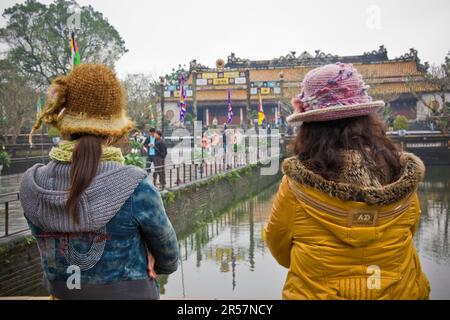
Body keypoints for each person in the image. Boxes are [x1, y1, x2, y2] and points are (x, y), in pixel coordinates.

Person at [265, 63, 430, 300]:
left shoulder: (295, 186)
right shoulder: (399, 172)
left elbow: (279, 249)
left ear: (309, 127)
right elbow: (409, 231)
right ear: (368, 120)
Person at [20, 64, 179, 300]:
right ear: (113, 131)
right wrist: (148, 254)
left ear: (65, 123)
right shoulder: (135, 185)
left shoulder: (31, 183)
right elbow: (169, 257)